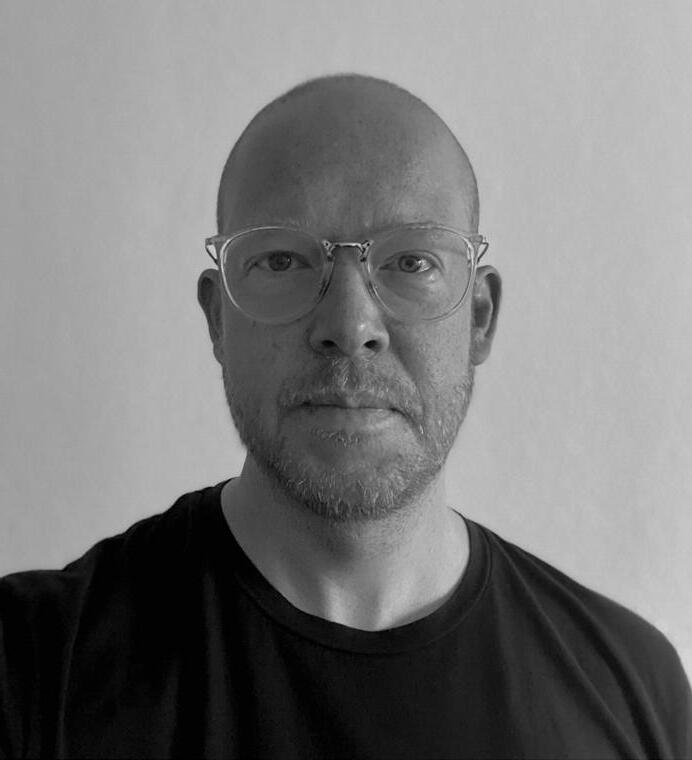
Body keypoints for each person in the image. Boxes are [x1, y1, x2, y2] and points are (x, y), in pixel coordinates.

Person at [1, 74, 690, 760]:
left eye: (411, 261)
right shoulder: (27, 667)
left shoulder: (636, 689)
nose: (351, 325)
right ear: (218, 319)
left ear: (479, 317)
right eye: (282, 260)